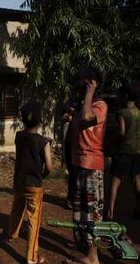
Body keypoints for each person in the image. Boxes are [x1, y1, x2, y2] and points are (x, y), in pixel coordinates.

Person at [65, 67, 107, 264]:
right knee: (80, 209)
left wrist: (89, 94)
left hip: (92, 165)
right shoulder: (83, 105)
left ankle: (93, 257)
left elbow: (86, 119)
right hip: (79, 163)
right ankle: (82, 242)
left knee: (92, 211)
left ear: (92, 84)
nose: (79, 89)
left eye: (84, 85)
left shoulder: (100, 105)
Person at [6, 102, 55, 264]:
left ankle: (12, 233)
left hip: (19, 181)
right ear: (41, 121)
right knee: (33, 220)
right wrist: (42, 175)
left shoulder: (19, 136)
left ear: (23, 120)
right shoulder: (44, 142)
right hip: (34, 185)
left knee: (17, 208)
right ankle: (32, 257)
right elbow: (49, 167)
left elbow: (27, 145)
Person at [107, 82, 140, 221]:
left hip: (124, 150)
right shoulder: (138, 111)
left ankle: (110, 212)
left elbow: (121, 132)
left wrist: (110, 141)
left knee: (115, 180)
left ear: (125, 96)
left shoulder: (122, 113)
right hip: (137, 151)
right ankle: (139, 210)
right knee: (137, 180)